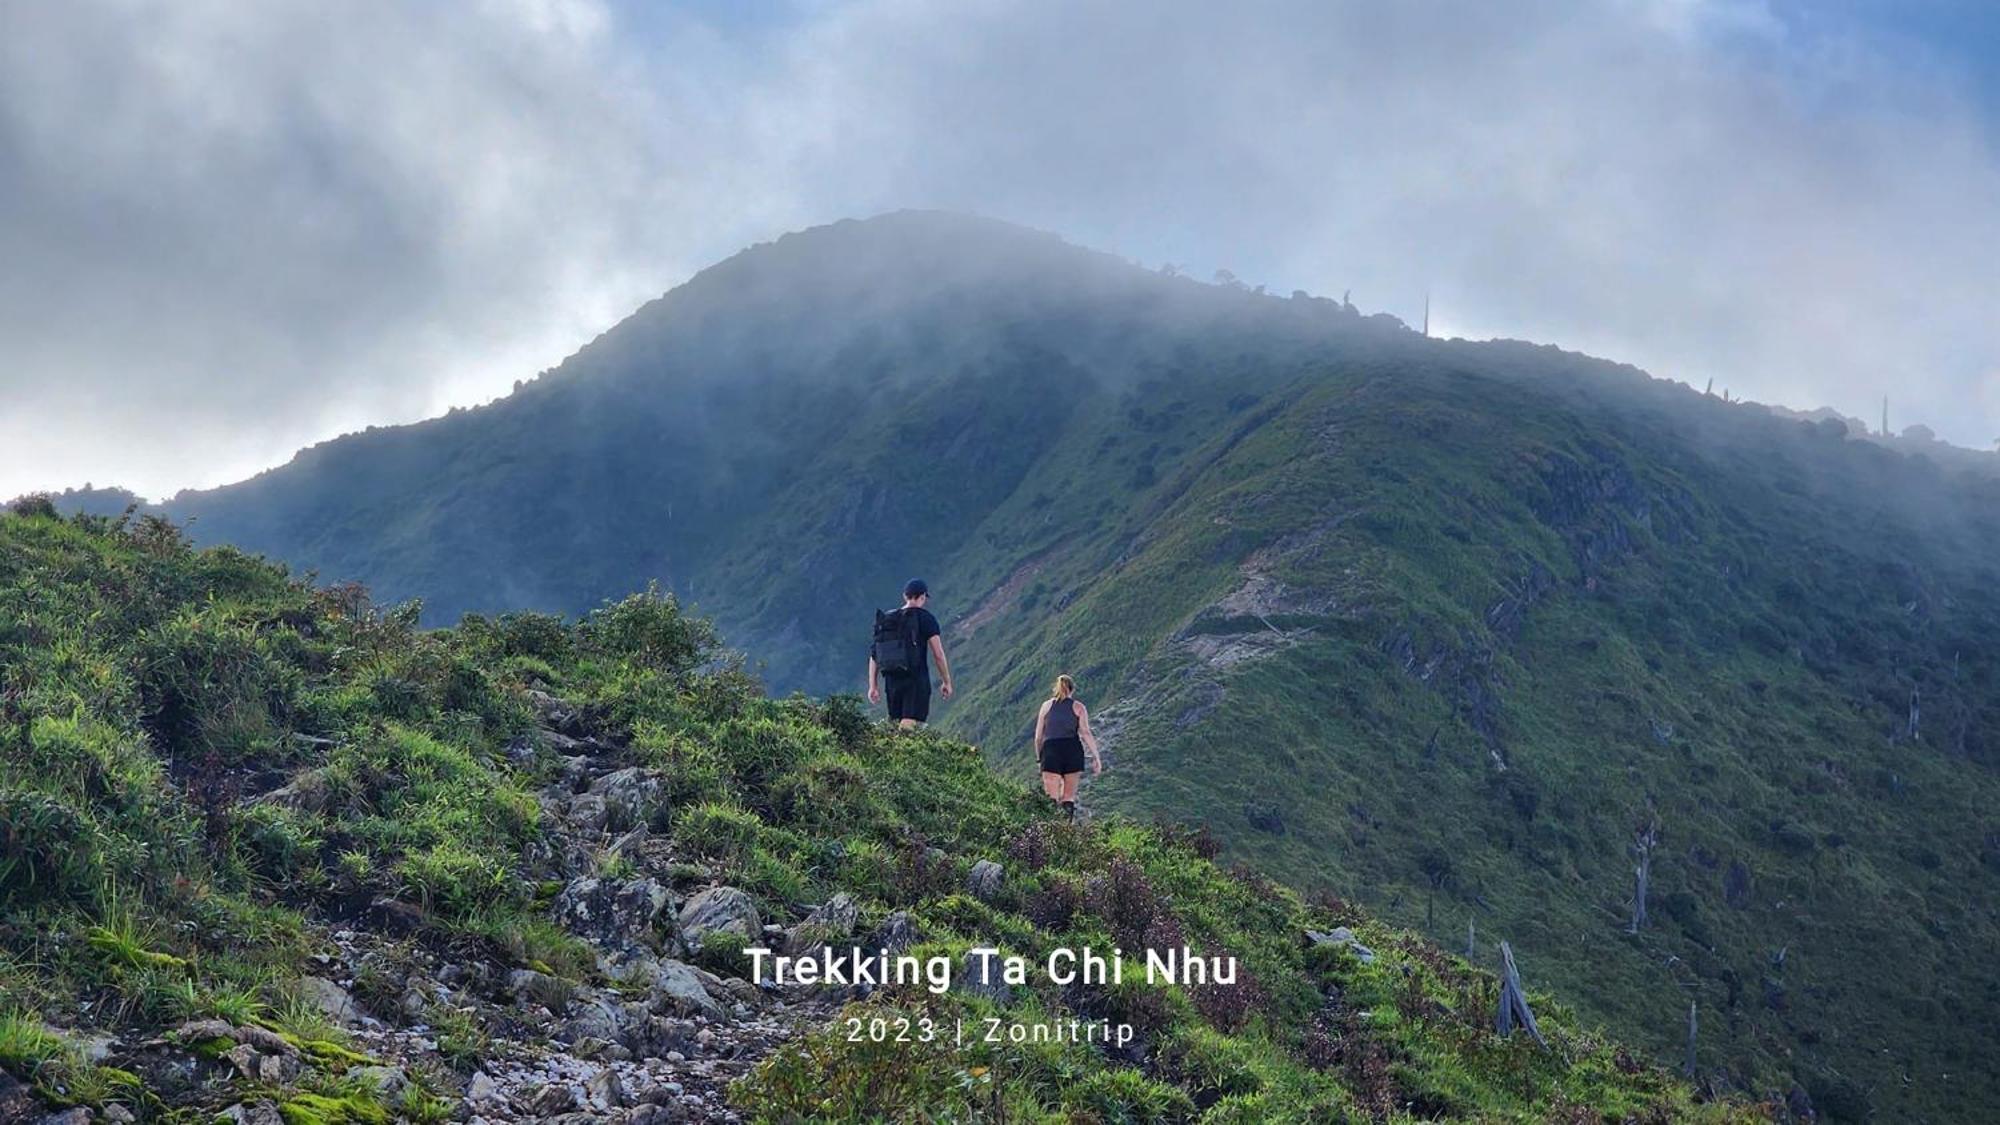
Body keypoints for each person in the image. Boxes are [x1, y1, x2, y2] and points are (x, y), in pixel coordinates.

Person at [866, 579, 953, 729]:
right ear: (923, 597)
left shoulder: (888, 619)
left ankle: (894, 751)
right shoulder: (926, 618)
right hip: (916, 680)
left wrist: (872, 685)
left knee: (895, 726)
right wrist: (946, 681)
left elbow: (875, 655)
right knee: (910, 727)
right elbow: (938, 654)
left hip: (892, 681)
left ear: (905, 596)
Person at [1033, 674, 1101, 821]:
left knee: (1051, 797)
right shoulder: (1079, 707)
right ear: (1072, 690)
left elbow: (1038, 736)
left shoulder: (1046, 706)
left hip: (1051, 750)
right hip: (1072, 750)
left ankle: (1049, 831)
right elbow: (1085, 732)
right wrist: (1096, 757)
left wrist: (1040, 758)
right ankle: (1066, 830)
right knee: (1068, 797)